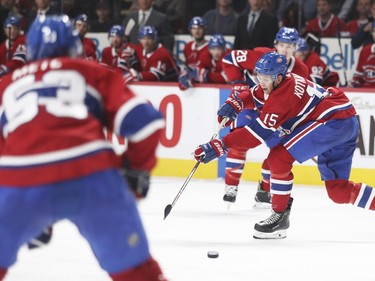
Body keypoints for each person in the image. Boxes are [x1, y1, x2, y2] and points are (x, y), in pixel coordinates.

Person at [0, 14, 167, 280]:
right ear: (75, 46)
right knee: (136, 273)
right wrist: (135, 169)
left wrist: (29, 210)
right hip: (93, 176)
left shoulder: (6, 85)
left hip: (21, 184)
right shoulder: (93, 72)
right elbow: (145, 123)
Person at [193, 51, 375, 239]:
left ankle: (279, 216)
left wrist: (220, 145)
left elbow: (255, 136)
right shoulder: (281, 81)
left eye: (265, 78)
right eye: (258, 76)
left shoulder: (282, 98)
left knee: (278, 157)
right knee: (339, 191)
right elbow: (254, 94)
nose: (260, 82)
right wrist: (236, 102)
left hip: (332, 122)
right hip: (343, 121)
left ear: (278, 78)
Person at [221, 27, 308, 206]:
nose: (285, 49)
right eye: (282, 45)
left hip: (275, 113)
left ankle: (265, 188)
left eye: (290, 46)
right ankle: (231, 186)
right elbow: (228, 59)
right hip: (251, 104)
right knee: (239, 140)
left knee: (278, 152)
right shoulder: (260, 55)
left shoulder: (301, 69)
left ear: (296, 48)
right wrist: (237, 82)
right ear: (275, 44)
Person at [178, 16, 209, 90]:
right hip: (190, 85)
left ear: (204, 29)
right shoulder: (188, 46)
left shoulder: (210, 48)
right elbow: (186, 66)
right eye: (194, 28)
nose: (197, 31)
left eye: (200, 28)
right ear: (190, 30)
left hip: (206, 85)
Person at [349, 21, 375, 87]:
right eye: (374, 31)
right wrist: (353, 83)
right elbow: (358, 76)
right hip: (366, 93)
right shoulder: (365, 50)